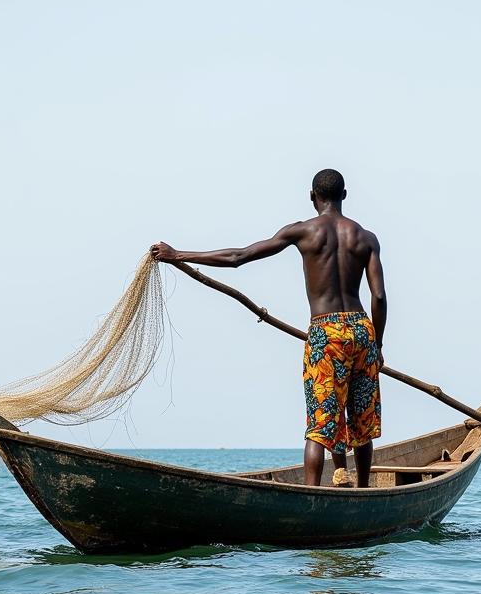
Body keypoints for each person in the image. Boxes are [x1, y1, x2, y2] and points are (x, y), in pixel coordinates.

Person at [150, 168, 386, 487]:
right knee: (362, 420)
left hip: (326, 331)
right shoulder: (365, 238)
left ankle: (312, 498)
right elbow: (379, 296)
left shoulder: (303, 232)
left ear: (312, 197)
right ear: (344, 196)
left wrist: (177, 254)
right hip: (361, 328)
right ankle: (363, 491)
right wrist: (378, 346)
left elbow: (239, 256)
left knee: (319, 425)